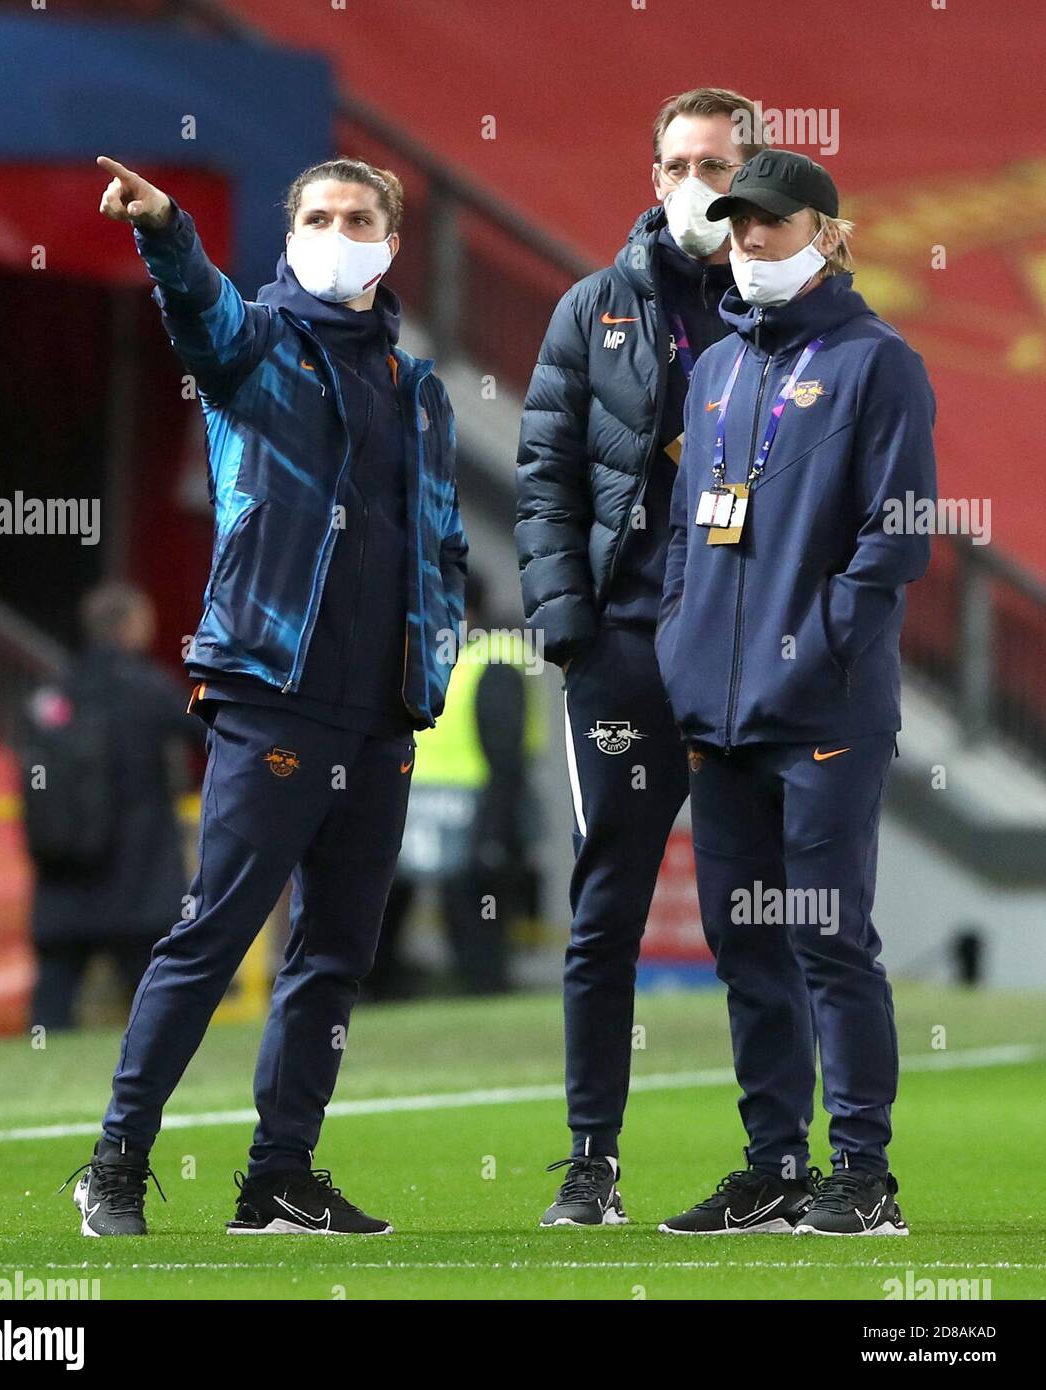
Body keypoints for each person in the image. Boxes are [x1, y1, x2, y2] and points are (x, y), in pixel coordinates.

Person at [64, 154, 467, 1237]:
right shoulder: (260, 350)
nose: (340, 232)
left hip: (381, 713)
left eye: (359, 217)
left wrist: (437, 650)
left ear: (391, 240)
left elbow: (444, 540)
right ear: (291, 237)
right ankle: (115, 1159)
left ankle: (279, 1176)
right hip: (274, 692)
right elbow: (202, 313)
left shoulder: (418, 390)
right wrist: (165, 230)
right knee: (213, 933)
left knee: (333, 959)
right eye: (321, 216)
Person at [654, 150, 936, 1236]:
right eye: (737, 224)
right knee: (744, 944)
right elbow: (689, 527)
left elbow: (896, 537)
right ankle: (773, 1166)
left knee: (828, 938)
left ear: (829, 231)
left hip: (822, 713)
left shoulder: (880, 363)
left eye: (772, 223)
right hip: (716, 717)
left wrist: (817, 649)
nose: (750, 241)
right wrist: (681, 644)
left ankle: (862, 1174)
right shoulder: (717, 366)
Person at [515, 87, 762, 1226]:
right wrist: (566, 621)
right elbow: (546, 474)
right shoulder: (592, 308)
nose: (696, 182)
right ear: (651, 173)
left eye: (717, 161)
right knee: (607, 905)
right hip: (621, 645)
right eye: (678, 162)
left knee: (753, 908)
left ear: (751, 169)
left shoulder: (794, 314)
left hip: (746, 653)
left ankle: (785, 1165)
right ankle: (590, 1163)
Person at [26, 583, 199, 1031]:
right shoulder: (150, 689)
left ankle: (42, 1083)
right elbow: (216, 737)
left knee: (51, 1011)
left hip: (64, 882)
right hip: (138, 881)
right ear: (132, 627)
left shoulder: (51, 694)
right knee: (154, 1015)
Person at [373, 570, 540, 997]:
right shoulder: (422, 655)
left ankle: (483, 997)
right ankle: (380, 992)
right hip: (415, 803)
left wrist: (498, 831)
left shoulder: (492, 659)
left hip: (471, 809)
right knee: (381, 918)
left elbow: (506, 758)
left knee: (473, 924)